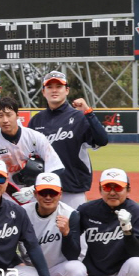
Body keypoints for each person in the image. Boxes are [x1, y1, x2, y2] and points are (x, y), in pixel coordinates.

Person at [27, 70, 110, 208]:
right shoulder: (36, 120)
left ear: (66, 90)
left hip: (72, 189)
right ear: (43, 92)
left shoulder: (79, 117)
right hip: (44, 189)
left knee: (73, 228)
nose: (54, 90)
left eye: (59, 87)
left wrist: (88, 112)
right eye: (49, 87)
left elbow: (102, 140)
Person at [20, 172, 86, 276]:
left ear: (60, 194)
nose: (48, 197)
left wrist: (66, 233)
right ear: (36, 194)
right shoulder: (23, 213)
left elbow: (73, 255)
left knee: (76, 269)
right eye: (43, 192)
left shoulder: (70, 214)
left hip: (58, 272)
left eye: (53, 193)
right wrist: (18, 263)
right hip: (31, 271)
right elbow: (9, 245)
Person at [0, 96, 64, 193]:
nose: (5, 120)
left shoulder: (36, 137)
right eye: (0, 115)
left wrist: (33, 189)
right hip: (7, 195)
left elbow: (56, 167)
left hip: (36, 194)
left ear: (17, 115)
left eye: (9, 115)